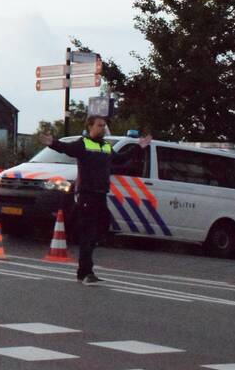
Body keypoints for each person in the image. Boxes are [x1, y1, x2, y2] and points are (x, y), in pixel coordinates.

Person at [40, 116, 151, 285]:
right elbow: (66, 148)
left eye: (104, 126)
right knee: (89, 233)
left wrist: (139, 147)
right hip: (87, 194)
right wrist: (52, 143)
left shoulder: (106, 146)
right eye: (99, 125)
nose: (102, 128)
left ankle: (84, 269)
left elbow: (120, 158)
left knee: (102, 227)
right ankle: (86, 272)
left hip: (101, 194)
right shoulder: (83, 143)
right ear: (90, 126)